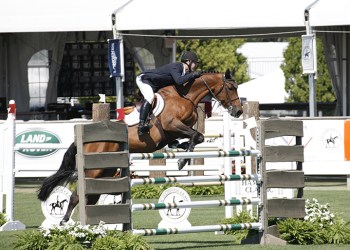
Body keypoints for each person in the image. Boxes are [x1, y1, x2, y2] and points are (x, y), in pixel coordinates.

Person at [136, 51, 202, 136]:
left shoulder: (185, 73)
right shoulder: (176, 67)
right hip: (144, 79)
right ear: (188, 61)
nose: (195, 65)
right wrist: (193, 75)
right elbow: (179, 81)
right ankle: (141, 124)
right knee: (150, 97)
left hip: (155, 85)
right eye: (194, 63)